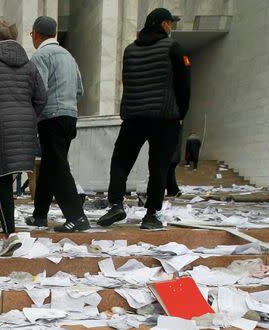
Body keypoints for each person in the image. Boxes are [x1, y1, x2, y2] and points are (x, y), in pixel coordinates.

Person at [97, 8, 190, 230]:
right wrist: (181, 114)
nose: (171, 27)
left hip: (134, 116)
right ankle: (151, 215)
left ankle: (116, 204)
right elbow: (184, 85)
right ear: (163, 24)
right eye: (170, 23)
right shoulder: (173, 48)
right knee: (158, 165)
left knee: (120, 160)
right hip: (164, 118)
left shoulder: (130, 50)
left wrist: (126, 111)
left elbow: (127, 84)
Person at [0, 20, 47, 256]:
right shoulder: (29, 65)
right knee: (7, 174)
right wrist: (28, 117)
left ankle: (9, 234)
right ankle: (1, 218)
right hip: (25, 124)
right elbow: (41, 98)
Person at [25, 16, 89, 233]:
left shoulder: (40, 56)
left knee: (58, 167)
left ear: (35, 33)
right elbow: (80, 89)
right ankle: (39, 215)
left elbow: (39, 91)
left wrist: (32, 115)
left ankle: (77, 216)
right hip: (70, 115)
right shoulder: (69, 57)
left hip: (51, 117)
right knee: (51, 166)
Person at [166, 127, 182, 197]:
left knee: (169, 174)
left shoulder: (169, 137)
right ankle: (172, 190)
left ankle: (174, 190)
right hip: (174, 158)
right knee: (170, 174)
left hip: (170, 158)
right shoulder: (176, 136)